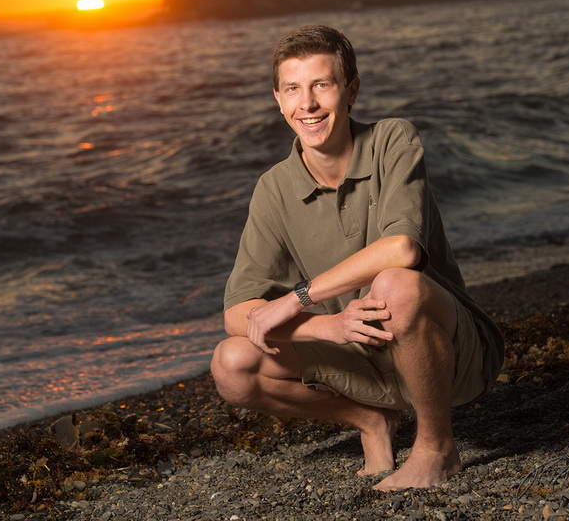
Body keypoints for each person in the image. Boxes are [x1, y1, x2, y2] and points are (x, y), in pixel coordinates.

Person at [211, 24, 504, 491]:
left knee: (397, 284)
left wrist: (295, 299)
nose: (306, 104)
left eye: (321, 85)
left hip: (451, 357)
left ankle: (436, 447)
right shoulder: (273, 188)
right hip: (356, 360)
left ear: (351, 91)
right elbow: (237, 314)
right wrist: (328, 326)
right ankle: (371, 421)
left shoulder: (393, 139)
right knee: (231, 363)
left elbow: (403, 249)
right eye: (293, 88)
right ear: (278, 98)